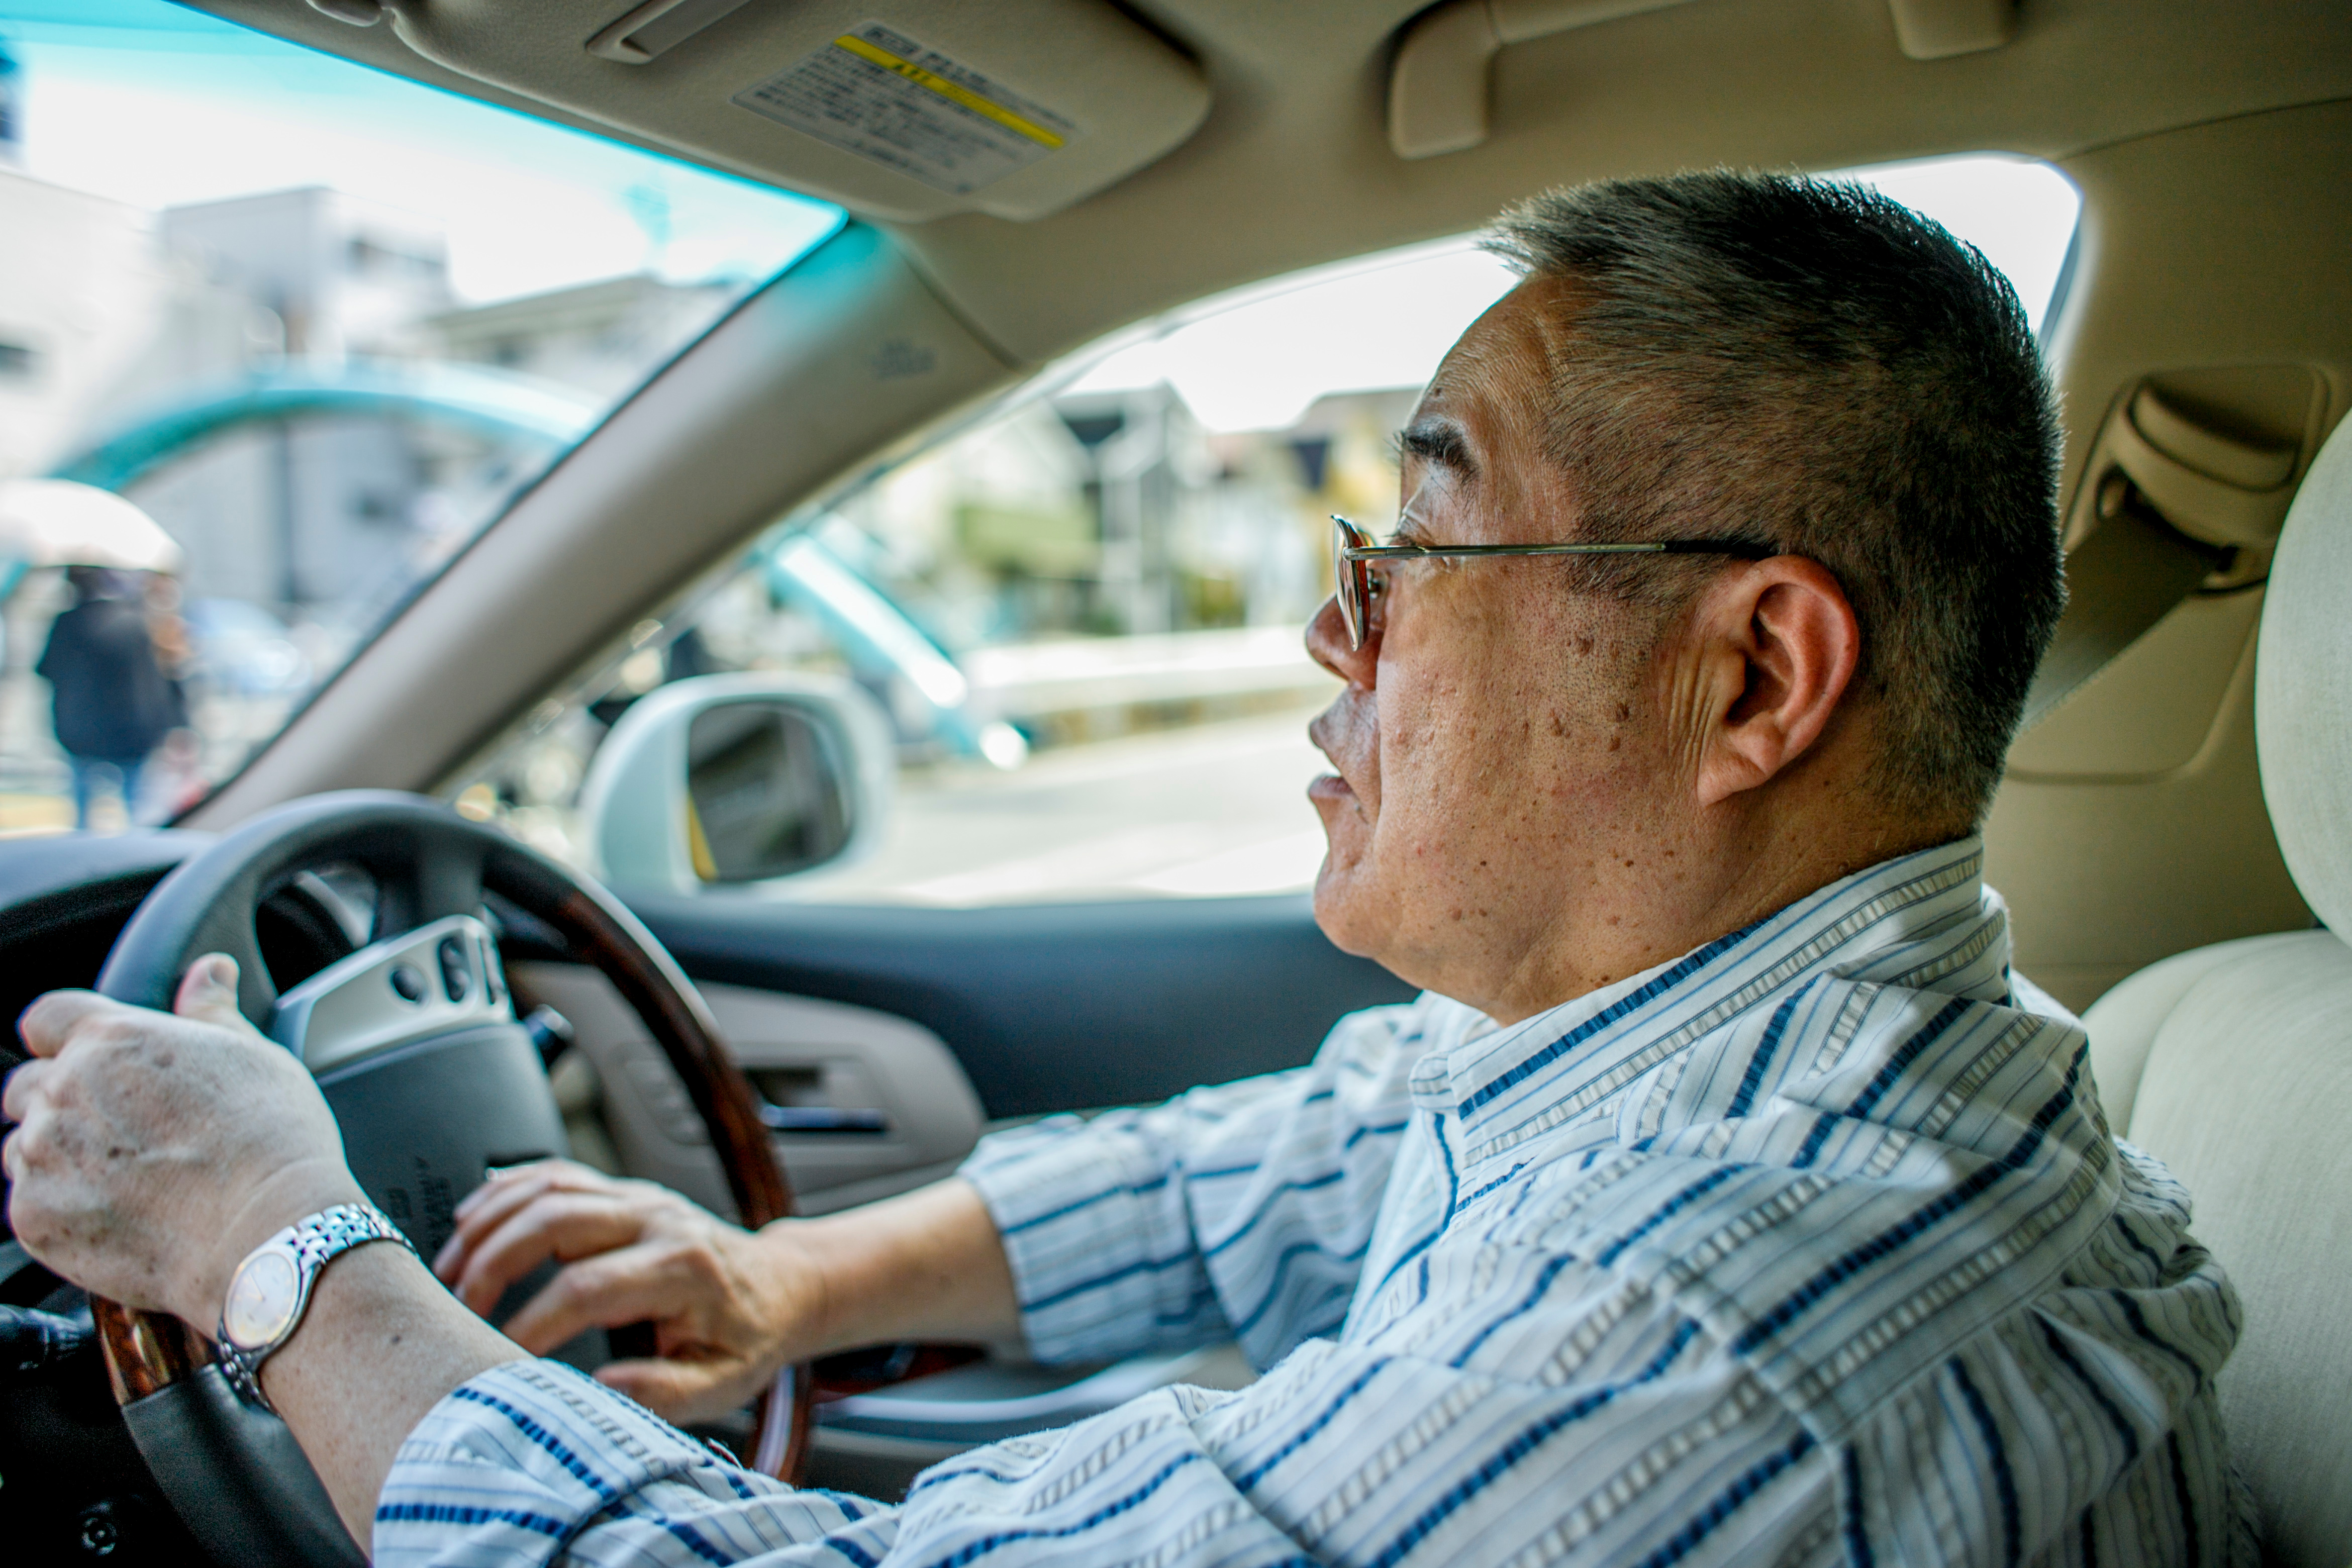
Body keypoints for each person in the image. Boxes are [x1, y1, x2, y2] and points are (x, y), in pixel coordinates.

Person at [4, 173, 2246, 1566]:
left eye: (1420, 547)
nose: (1329, 630)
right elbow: (1296, 1159)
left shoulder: (1718, 1350)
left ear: (1755, 674)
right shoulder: (1793, 1057)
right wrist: (789, 1289)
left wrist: (275, 1246)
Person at [35, 565, 179, 829]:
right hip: (132, 731)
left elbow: (44, 669)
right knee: (139, 812)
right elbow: (156, 679)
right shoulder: (134, 621)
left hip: (82, 731)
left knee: (83, 817)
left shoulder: (70, 623)